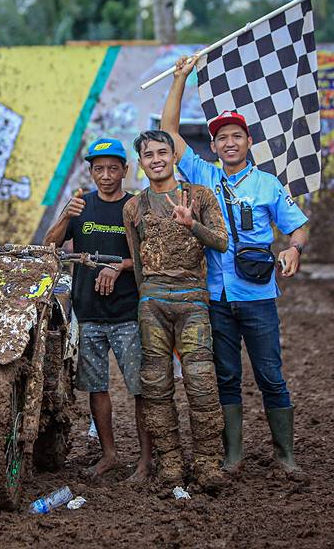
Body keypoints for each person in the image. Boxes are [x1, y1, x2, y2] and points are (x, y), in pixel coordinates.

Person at [164, 56, 310, 481]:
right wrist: (180, 79)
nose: (229, 143)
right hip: (215, 296)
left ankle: (286, 455)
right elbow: (169, 133)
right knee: (226, 376)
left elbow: (297, 227)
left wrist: (293, 250)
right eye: (221, 137)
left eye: (236, 136)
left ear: (248, 143)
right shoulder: (202, 175)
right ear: (213, 147)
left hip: (259, 296)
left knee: (270, 375)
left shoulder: (268, 184)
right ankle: (233, 457)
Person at [122, 129, 229, 488]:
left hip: (193, 301)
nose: (156, 159)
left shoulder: (199, 196)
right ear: (141, 162)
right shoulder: (134, 207)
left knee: (201, 382)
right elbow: (138, 263)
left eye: (162, 152)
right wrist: (146, 297)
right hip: (152, 304)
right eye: (148, 154)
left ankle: (208, 462)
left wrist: (191, 223)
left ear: (173, 157)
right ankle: (169, 461)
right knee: (155, 385)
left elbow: (222, 242)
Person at [43, 138, 153, 481]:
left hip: (127, 313)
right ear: (90, 171)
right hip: (88, 312)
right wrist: (65, 214)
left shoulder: (135, 207)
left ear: (125, 170)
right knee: (97, 387)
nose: (105, 176)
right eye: (98, 169)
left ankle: (146, 460)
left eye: (112, 169)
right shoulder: (80, 205)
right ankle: (109, 455)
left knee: (140, 389)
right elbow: (49, 245)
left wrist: (119, 266)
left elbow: (150, 256)